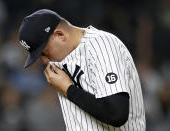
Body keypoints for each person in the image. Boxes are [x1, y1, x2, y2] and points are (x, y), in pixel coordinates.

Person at [18, 9, 146, 131]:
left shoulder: (101, 45)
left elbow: (116, 114)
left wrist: (68, 89)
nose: (45, 61)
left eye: (44, 53)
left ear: (59, 35)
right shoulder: (64, 58)